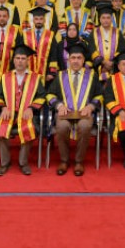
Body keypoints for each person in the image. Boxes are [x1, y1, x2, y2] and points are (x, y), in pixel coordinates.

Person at [47, 44, 102, 176]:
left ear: (83, 60)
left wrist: (91, 106)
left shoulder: (92, 76)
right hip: (65, 113)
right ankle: (64, 160)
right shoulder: (61, 76)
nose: (76, 61)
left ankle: (79, 161)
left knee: (84, 126)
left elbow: (100, 95)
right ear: (68, 60)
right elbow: (50, 95)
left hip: (84, 113)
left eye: (79, 58)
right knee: (62, 127)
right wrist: (59, 106)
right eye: (73, 58)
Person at [0, 45, 46, 176]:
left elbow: (41, 96)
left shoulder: (35, 78)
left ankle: (23, 162)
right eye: (18, 58)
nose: (20, 61)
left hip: (27, 114)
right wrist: (3, 107)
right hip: (9, 113)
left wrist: (32, 108)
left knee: (29, 128)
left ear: (28, 61)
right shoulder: (5, 77)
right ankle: (5, 162)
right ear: (14, 60)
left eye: (23, 58)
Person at [86, 5, 125, 83]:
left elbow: (121, 49)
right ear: (100, 19)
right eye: (103, 18)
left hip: (114, 67)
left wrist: (112, 63)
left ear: (111, 19)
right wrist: (103, 62)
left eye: (108, 18)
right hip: (98, 67)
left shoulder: (118, 32)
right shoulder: (94, 32)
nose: (106, 20)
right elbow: (92, 49)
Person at [22, 6, 59, 85]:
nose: (38, 21)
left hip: (46, 73)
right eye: (36, 19)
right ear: (33, 20)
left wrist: (51, 72)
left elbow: (54, 54)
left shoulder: (50, 35)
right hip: (28, 72)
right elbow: (22, 54)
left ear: (44, 20)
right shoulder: (26, 35)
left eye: (41, 19)